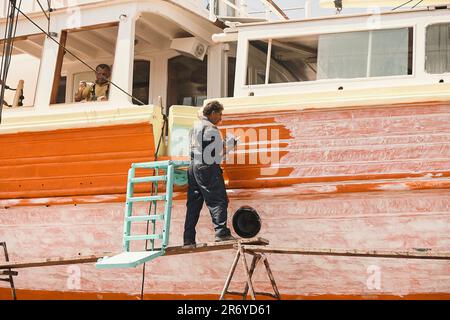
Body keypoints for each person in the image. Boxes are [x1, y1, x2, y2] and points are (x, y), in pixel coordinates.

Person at [183, 100, 238, 248]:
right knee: (218, 200)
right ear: (213, 113)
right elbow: (217, 155)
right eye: (220, 114)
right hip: (207, 168)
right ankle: (222, 233)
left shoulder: (194, 127)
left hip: (193, 168)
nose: (221, 118)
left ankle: (188, 239)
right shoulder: (211, 129)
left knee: (193, 204)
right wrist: (231, 145)